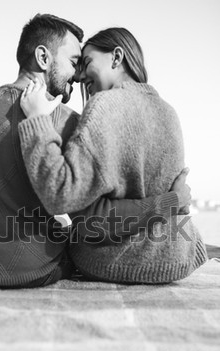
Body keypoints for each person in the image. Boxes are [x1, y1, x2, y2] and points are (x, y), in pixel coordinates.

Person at [0, 16, 192, 288]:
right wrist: (172, 201)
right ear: (44, 58)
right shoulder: (65, 120)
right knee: (68, 234)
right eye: (73, 62)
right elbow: (89, 220)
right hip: (34, 268)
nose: (78, 75)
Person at [19, 27, 207, 284]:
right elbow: (177, 201)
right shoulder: (169, 112)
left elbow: (62, 195)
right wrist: (172, 201)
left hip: (114, 263)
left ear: (117, 58)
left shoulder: (104, 106)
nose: (80, 75)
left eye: (86, 63)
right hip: (177, 257)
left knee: (60, 236)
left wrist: (37, 121)